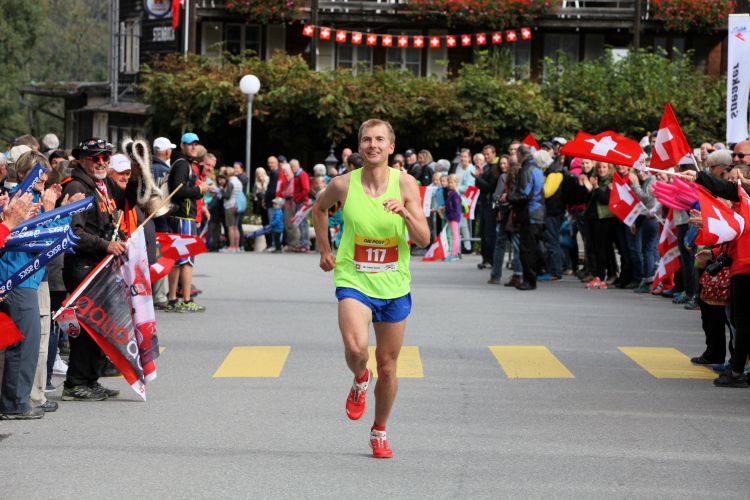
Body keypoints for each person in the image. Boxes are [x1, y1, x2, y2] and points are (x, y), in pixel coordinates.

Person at [312, 119, 430, 459]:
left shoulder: (406, 184)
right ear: (360, 146)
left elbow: (424, 239)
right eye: (367, 139)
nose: (373, 144)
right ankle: (361, 377)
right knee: (355, 349)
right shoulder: (342, 184)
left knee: (388, 367)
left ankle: (379, 431)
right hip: (354, 279)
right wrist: (325, 250)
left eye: (379, 139)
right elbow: (319, 209)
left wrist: (405, 213)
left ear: (391, 147)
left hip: (393, 284)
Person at [165, 133, 211, 312]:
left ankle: (172, 300)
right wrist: (199, 189)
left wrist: (198, 191)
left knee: (176, 259)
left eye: (196, 144)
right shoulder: (183, 164)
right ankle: (186, 300)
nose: (193, 147)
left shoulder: (180, 162)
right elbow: (179, 190)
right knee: (186, 261)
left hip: (179, 216)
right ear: (182, 145)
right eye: (190, 144)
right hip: (184, 217)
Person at [506, 144, 545, 290]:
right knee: (533, 247)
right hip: (537, 212)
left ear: (520, 154)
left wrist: (507, 197)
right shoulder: (536, 168)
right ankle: (537, 273)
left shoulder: (527, 170)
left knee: (527, 250)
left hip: (530, 213)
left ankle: (530, 280)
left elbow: (524, 194)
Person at [220, 166, 243, 253]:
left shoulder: (231, 183)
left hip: (230, 206)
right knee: (236, 227)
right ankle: (237, 246)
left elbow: (227, 195)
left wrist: (222, 190)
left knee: (230, 228)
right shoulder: (238, 182)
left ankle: (232, 246)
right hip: (237, 206)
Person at [444, 174, 463, 261]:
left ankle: (454, 253)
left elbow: (456, 207)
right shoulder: (452, 193)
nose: (450, 184)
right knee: (453, 234)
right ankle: (454, 251)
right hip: (452, 216)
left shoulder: (455, 194)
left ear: (456, 183)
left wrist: (451, 216)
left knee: (455, 235)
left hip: (454, 217)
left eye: (451, 182)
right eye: (449, 183)